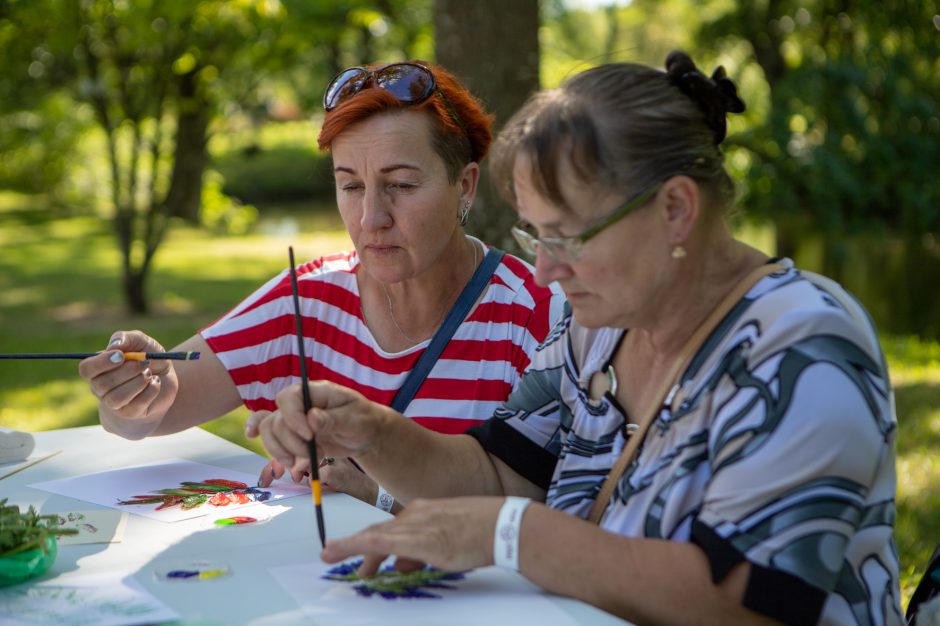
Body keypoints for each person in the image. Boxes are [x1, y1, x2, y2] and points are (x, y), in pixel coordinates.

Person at [259, 51, 903, 625]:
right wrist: (374, 433)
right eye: (535, 238)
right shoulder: (596, 326)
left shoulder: (804, 347)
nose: (544, 270)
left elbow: (741, 602)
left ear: (676, 209)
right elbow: (500, 471)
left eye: (567, 237)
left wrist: (511, 537)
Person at [78, 60, 564, 513]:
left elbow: (550, 510)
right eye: (351, 186)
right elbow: (150, 412)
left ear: (465, 185)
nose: (372, 218)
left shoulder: (537, 317)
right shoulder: (309, 299)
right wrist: (136, 393)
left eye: (401, 185)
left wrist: (375, 495)